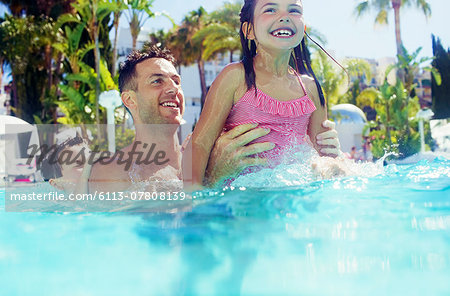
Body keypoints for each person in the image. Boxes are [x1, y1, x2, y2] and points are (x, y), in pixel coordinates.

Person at [87, 45, 341, 192]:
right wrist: (212, 178)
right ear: (129, 99)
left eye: (177, 81)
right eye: (157, 81)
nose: (173, 89)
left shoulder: (211, 152)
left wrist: (321, 154)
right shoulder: (114, 170)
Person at [189, 0, 345, 187]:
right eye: (270, 9)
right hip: (239, 202)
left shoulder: (310, 89)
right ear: (249, 30)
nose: (284, 17)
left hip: (291, 199)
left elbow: (325, 157)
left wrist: (334, 161)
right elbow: (200, 144)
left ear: (303, 28)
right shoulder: (235, 78)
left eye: (294, 10)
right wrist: (194, 200)